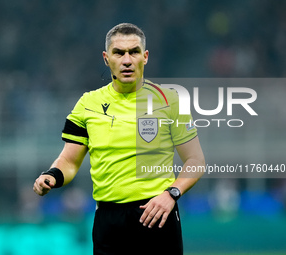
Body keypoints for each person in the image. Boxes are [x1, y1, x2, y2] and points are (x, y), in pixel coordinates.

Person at [33, 23, 205, 255]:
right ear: (106, 58)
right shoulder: (87, 104)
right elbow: (70, 161)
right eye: (119, 53)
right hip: (108, 221)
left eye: (134, 52)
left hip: (157, 213)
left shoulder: (170, 100)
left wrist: (171, 194)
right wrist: (52, 175)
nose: (127, 60)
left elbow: (195, 161)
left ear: (145, 57)